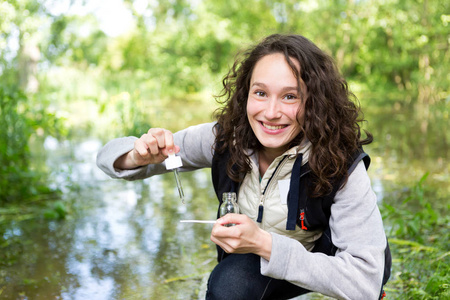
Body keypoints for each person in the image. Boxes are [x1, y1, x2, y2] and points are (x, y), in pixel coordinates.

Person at [97, 34, 390, 299]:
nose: (271, 113)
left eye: (290, 96)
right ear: (245, 94)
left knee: (366, 271)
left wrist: (265, 244)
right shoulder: (223, 138)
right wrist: (137, 157)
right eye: (260, 93)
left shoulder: (342, 161)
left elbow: (364, 281)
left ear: (314, 102)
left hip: (322, 255)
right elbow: (105, 159)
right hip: (253, 263)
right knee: (229, 284)